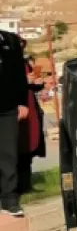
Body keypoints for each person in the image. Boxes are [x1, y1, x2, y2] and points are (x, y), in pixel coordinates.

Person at [0, 30, 29, 217]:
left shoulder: (9, 40)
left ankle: (9, 199)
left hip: (8, 106)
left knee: (8, 154)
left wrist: (22, 102)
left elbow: (19, 72)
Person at [18, 44, 45, 198]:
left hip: (30, 111)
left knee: (27, 149)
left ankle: (26, 185)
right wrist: (23, 79)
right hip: (13, 111)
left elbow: (33, 87)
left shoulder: (25, 63)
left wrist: (38, 82)